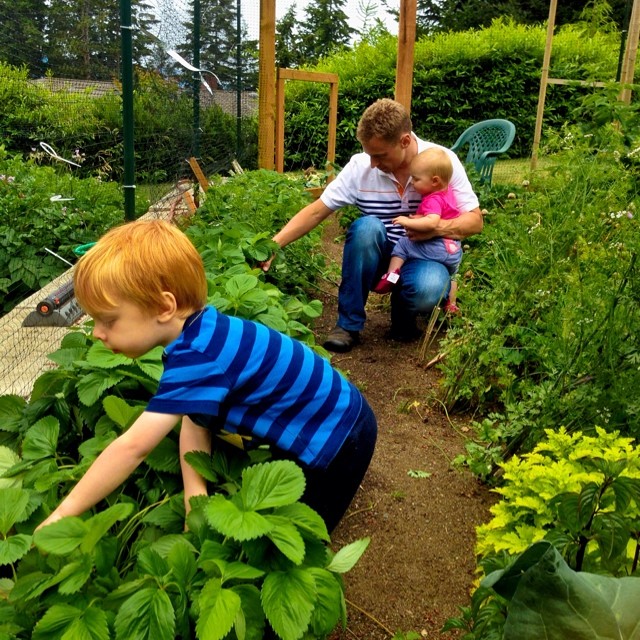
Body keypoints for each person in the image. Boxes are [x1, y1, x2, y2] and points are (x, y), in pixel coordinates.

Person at [37, 219, 377, 534]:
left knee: (299, 529)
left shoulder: (199, 356)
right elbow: (196, 418)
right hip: (339, 410)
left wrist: (62, 515)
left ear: (164, 307)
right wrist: (194, 500)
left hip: (341, 438)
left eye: (108, 321)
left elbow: (133, 448)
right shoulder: (203, 332)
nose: (97, 333)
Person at [261, 98, 482, 353]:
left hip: (425, 256)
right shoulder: (360, 167)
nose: (373, 164)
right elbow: (316, 211)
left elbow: (475, 221)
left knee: (428, 287)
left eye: (380, 155)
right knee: (366, 228)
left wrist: (434, 228)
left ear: (405, 141)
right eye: (369, 155)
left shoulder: (442, 162)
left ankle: (403, 316)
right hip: (382, 256)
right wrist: (274, 244)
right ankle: (348, 325)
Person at [374, 147, 462, 314]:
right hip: (453, 248)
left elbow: (432, 222)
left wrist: (407, 220)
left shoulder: (432, 200)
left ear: (435, 181)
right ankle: (451, 303)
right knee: (453, 276)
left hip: (437, 245)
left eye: (416, 179)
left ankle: (390, 276)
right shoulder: (448, 191)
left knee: (403, 245)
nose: (412, 183)